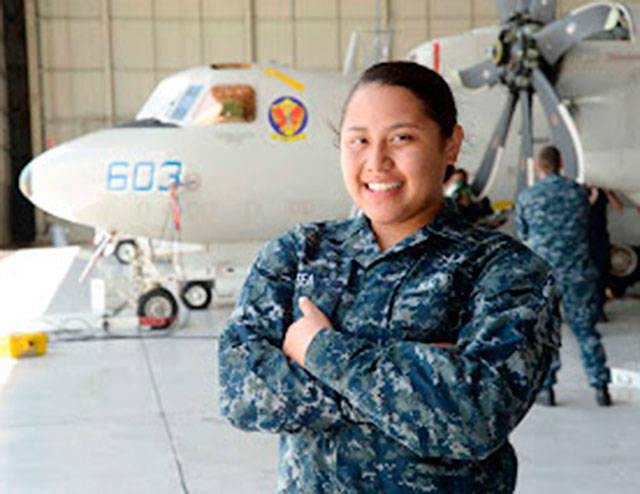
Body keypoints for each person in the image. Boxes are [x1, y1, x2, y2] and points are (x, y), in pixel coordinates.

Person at [219, 62, 560, 492]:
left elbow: (476, 416)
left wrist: (320, 350)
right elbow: (239, 392)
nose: (376, 162)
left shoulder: (506, 271)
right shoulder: (299, 254)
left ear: (450, 144)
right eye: (358, 140)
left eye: (402, 138)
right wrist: (421, 376)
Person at [516, 146, 612, 407]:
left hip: (543, 276)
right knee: (586, 330)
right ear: (560, 163)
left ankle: (547, 389)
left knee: (546, 333)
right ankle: (600, 386)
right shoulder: (577, 193)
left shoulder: (528, 196)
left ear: (539, 166)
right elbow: (590, 222)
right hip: (577, 272)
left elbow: (522, 234)